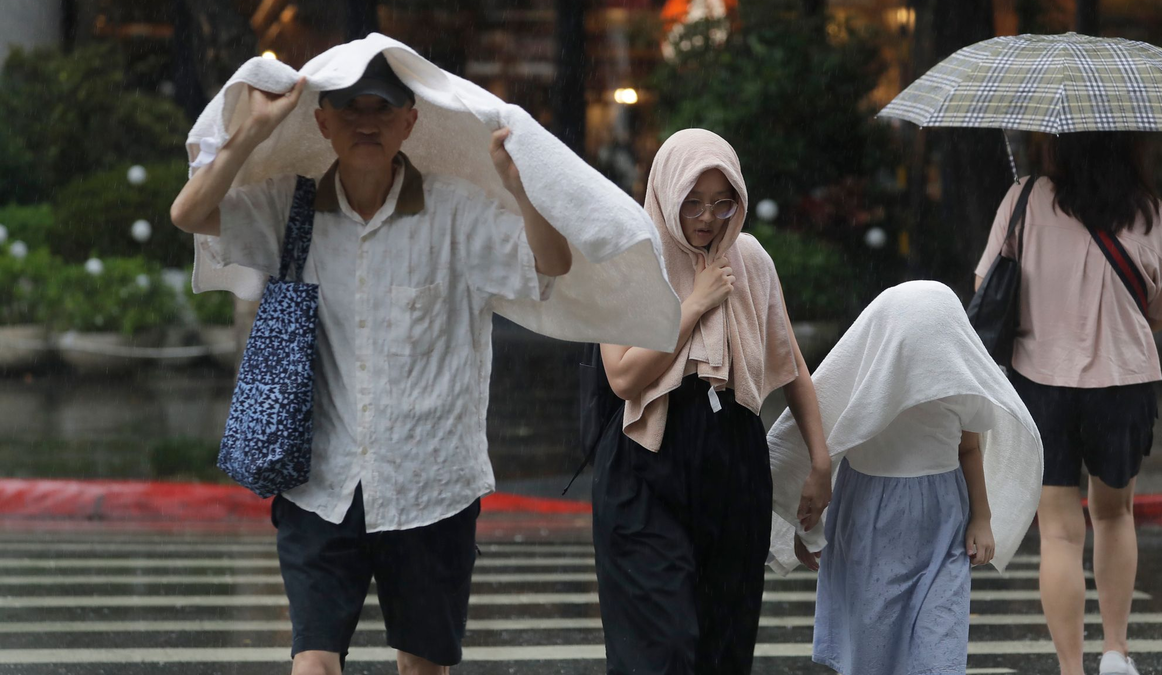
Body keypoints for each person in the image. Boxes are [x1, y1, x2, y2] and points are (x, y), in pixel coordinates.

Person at [170, 54, 571, 675]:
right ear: (322, 122)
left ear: (409, 122)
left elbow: (551, 264)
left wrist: (521, 188)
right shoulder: (288, 209)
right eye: (349, 108)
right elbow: (189, 215)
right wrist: (250, 131)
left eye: (381, 108)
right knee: (313, 658)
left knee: (421, 665)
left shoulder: (456, 212)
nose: (365, 122)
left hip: (432, 483)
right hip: (318, 481)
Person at [591, 128, 831, 675]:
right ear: (666, 194)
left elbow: (792, 365)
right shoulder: (628, 257)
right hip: (646, 459)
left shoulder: (749, 259)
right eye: (692, 202)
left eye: (723, 202)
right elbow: (624, 377)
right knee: (660, 648)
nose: (706, 218)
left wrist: (820, 461)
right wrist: (693, 306)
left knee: (724, 644)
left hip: (733, 462)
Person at [975, 132, 1162, 675]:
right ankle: (1116, 653)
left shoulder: (1024, 198)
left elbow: (984, 287)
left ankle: (1072, 668)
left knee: (1060, 533)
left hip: (1041, 384)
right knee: (1115, 517)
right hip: (1123, 383)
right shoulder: (1150, 212)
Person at [766, 281, 1043, 675]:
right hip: (867, 529)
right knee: (871, 654)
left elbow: (969, 449)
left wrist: (982, 517)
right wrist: (805, 524)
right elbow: (824, 453)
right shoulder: (864, 386)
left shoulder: (961, 386)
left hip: (942, 529)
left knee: (940, 652)